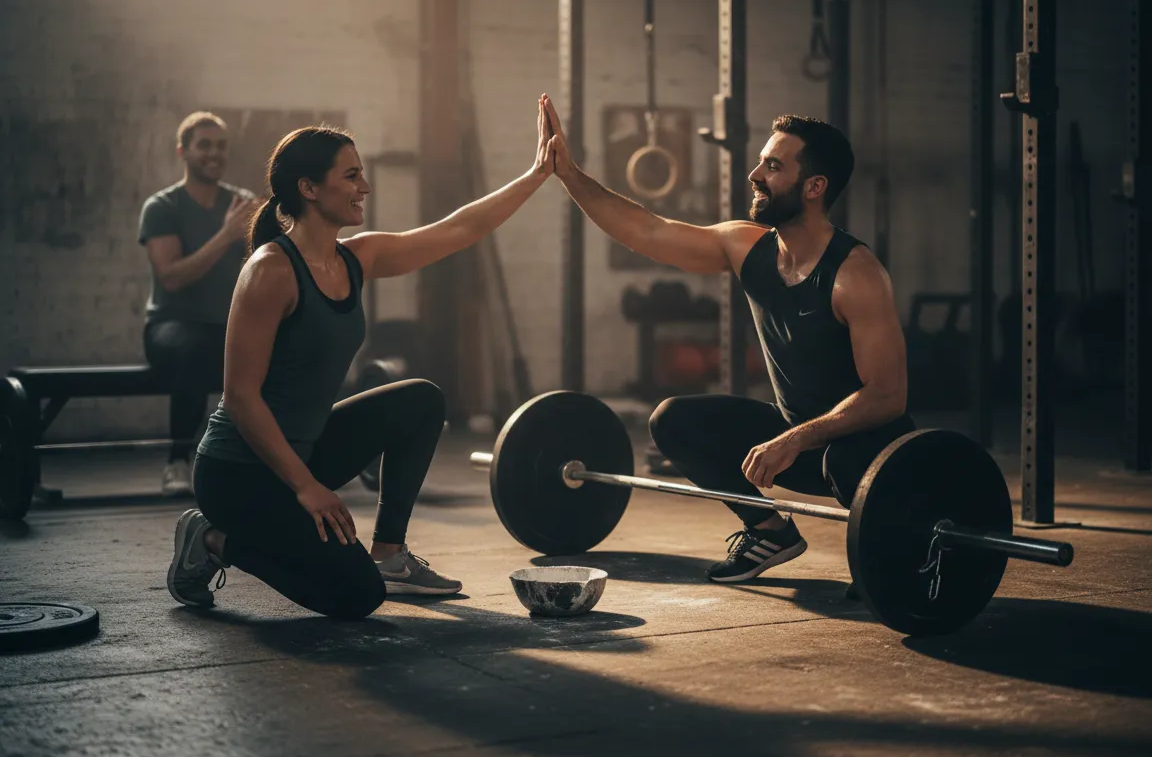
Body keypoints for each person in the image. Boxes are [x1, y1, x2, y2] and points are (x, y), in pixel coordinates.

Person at [166, 96, 557, 619]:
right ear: (309, 188)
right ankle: (210, 538)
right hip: (240, 473)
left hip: (304, 450)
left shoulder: (356, 258)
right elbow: (239, 398)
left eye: (362, 175)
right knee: (355, 596)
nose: (364, 188)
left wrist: (536, 175)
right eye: (351, 176)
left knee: (420, 401)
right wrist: (307, 488)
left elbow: (459, 229)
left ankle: (390, 554)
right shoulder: (270, 270)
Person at [541, 96, 912, 585]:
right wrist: (569, 173)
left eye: (773, 166)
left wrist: (794, 438)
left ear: (814, 187)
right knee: (674, 420)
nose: (756, 175)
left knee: (845, 460)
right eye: (761, 161)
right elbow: (647, 231)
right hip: (797, 443)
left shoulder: (856, 275)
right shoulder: (746, 246)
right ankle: (771, 531)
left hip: (872, 455)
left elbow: (887, 396)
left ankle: (893, 549)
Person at [139, 112, 256, 497]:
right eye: (203, 145)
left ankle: (265, 463)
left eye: (220, 145)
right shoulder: (162, 207)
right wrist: (226, 236)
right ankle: (178, 462)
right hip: (171, 328)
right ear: (183, 151)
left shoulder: (242, 205)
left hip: (226, 328)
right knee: (196, 347)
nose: (214, 153)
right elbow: (171, 276)